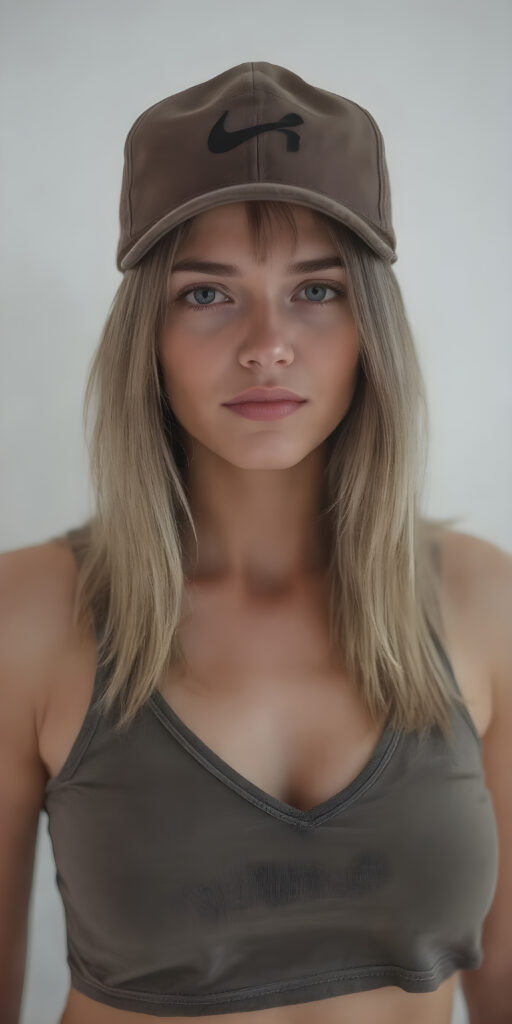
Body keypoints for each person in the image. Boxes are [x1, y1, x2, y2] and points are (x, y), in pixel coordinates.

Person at [1, 61, 509, 1024]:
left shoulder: (486, 604)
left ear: (371, 328)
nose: (267, 343)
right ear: (143, 333)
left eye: (316, 290)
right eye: (206, 294)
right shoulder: (25, 618)